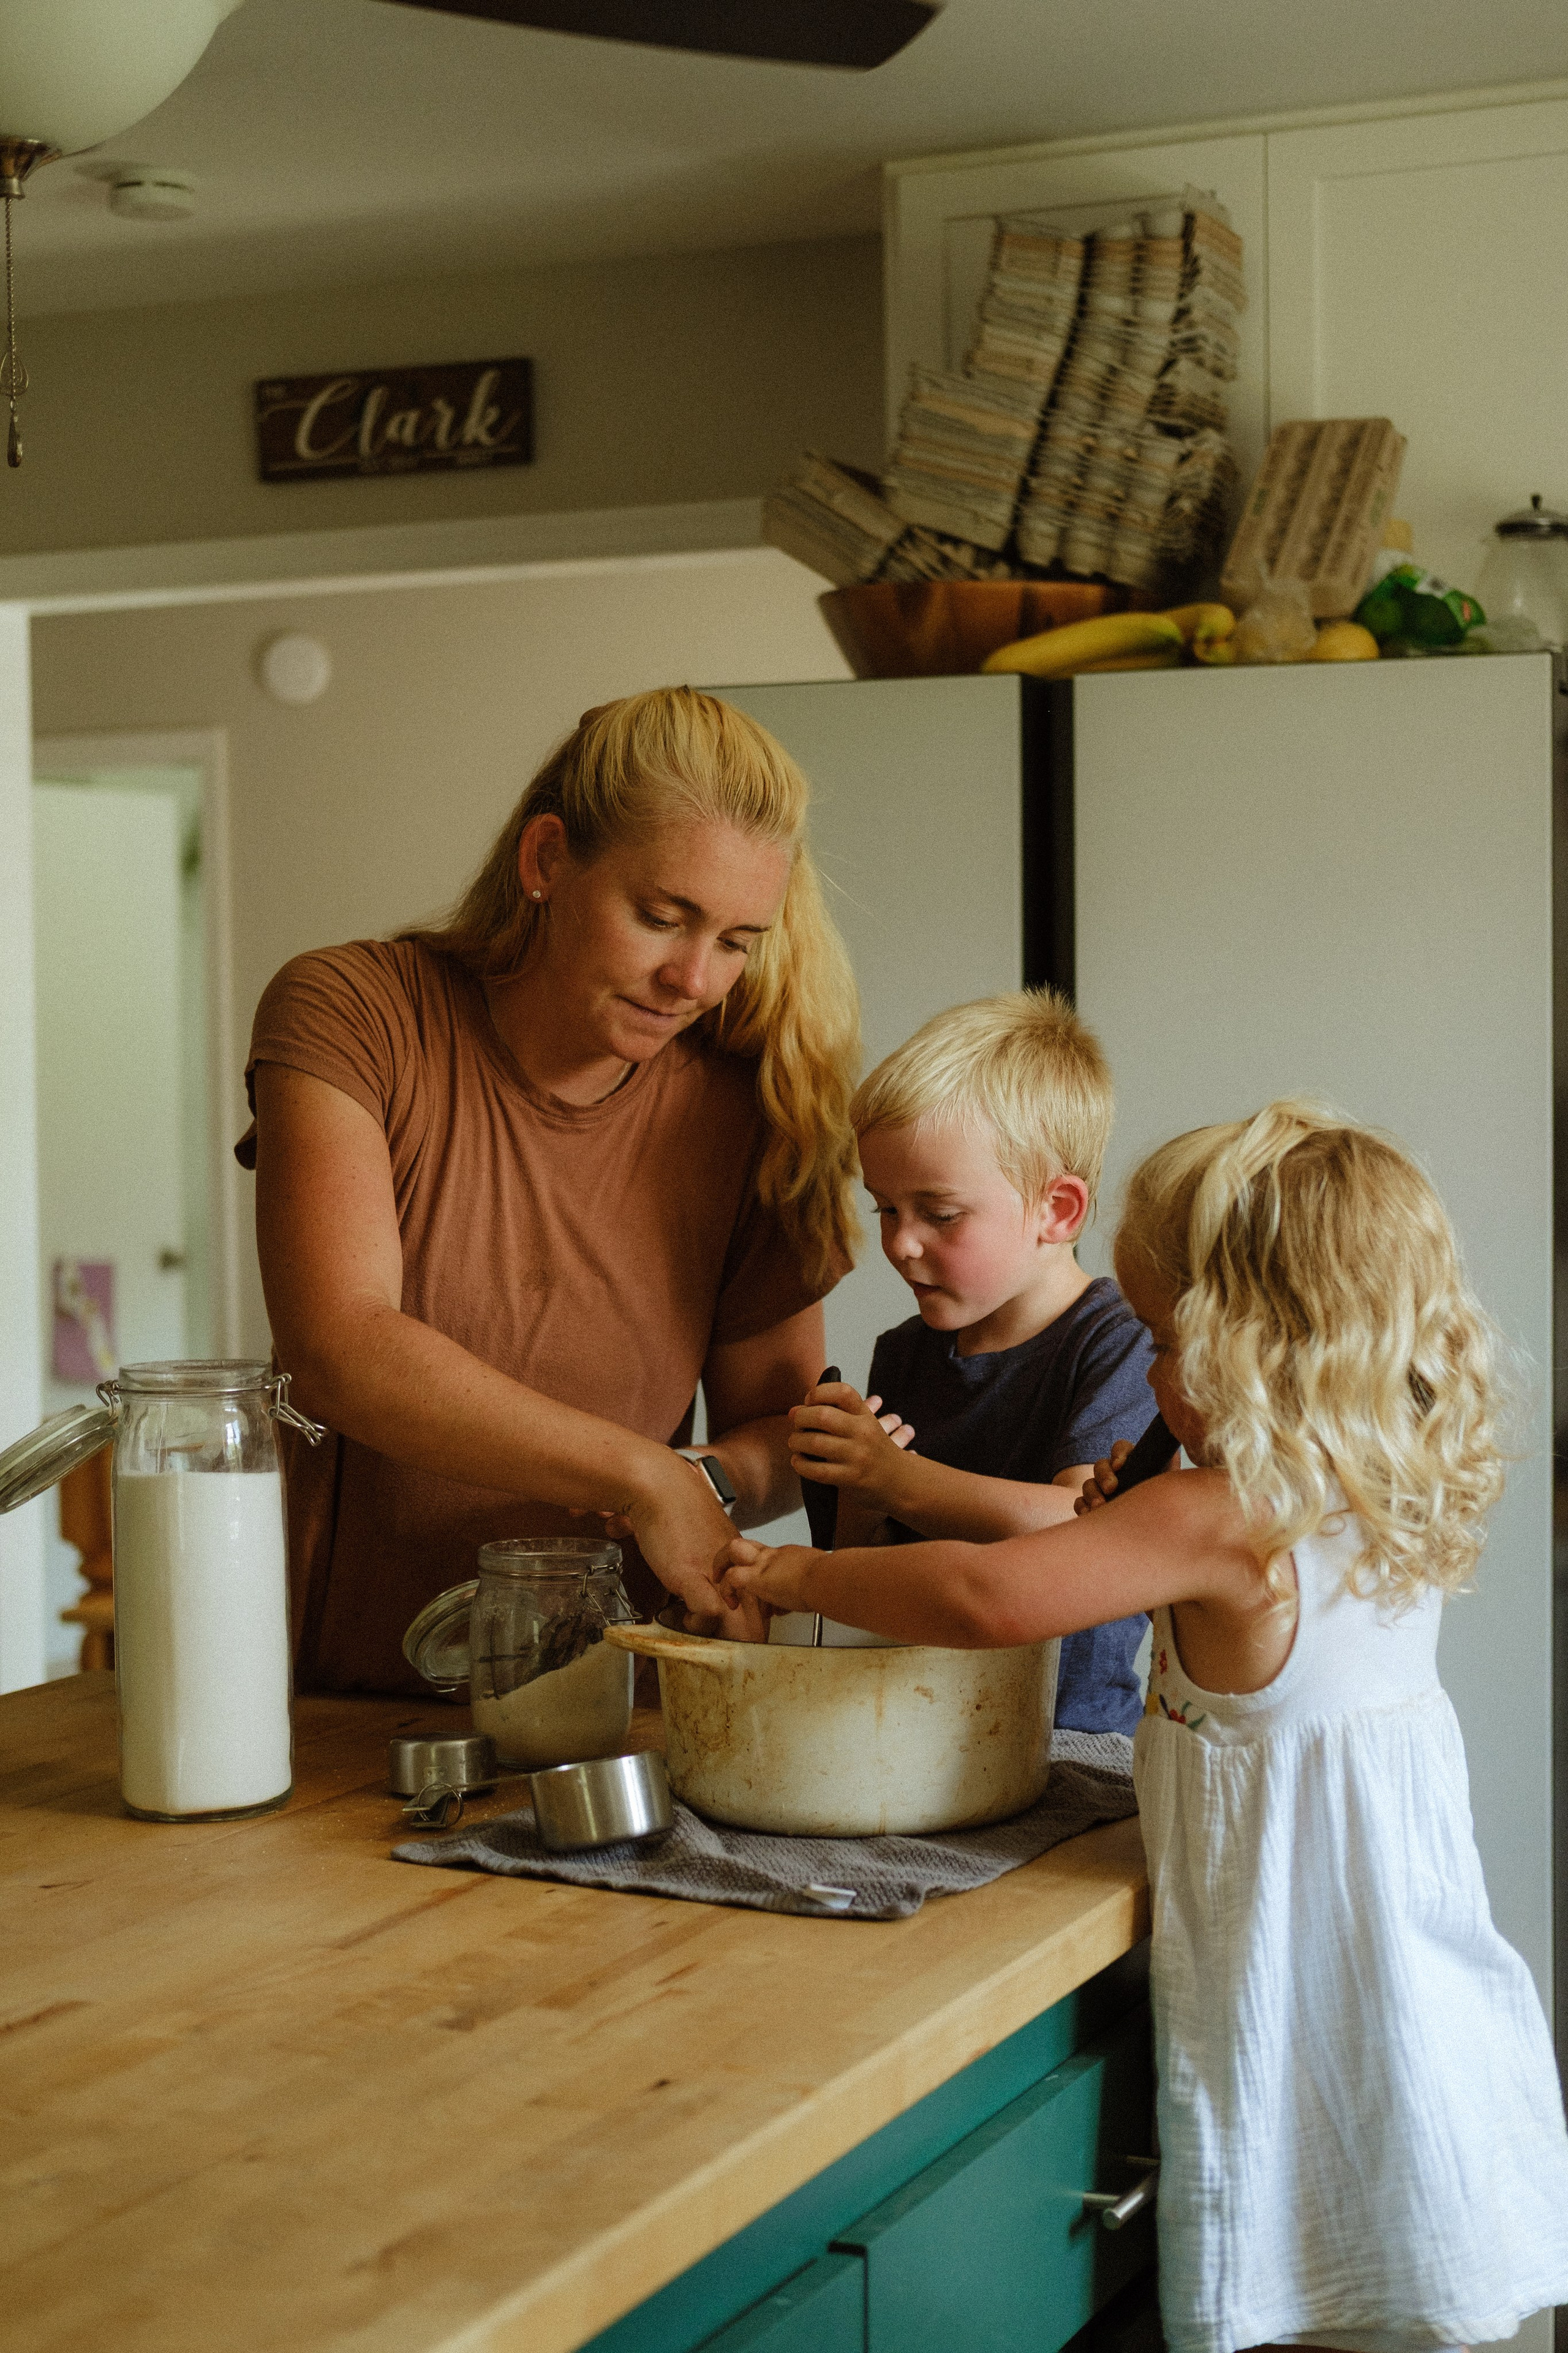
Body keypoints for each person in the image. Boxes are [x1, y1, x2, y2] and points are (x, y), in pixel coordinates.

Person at [721, 1101, 1568, 2353]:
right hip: (1407, 2003)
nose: (1150, 1375)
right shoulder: (1359, 1483)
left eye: (1169, 1343)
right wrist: (1123, 1510)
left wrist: (788, 1577)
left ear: (1264, 1347)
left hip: (1309, 2016)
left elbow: (987, 1595)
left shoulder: (1227, 1513)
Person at [238, 687, 861, 1693]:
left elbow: (787, 1442)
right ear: (545, 862)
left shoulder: (750, 1104)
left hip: (619, 1701)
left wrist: (702, 1481)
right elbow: (340, 1346)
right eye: (661, 918)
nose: (695, 978)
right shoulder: (351, 1012)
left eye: (739, 941)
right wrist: (640, 1471)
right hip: (340, 1700)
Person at [785, 990, 1155, 1730]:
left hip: (1070, 1738)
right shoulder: (902, 1354)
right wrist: (858, 1486)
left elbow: (1084, 1530)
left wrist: (900, 1478)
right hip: (925, 1729)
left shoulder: (1120, 1342)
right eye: (885, 1208)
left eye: (939, 1213)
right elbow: (870, 1566)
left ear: (1058, 1211)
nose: (899, 1243)